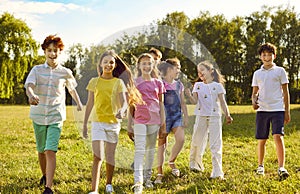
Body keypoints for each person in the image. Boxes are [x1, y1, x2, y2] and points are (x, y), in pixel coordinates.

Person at [24, 35, 83, 194]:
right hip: (38, 115)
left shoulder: (65, 72)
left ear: (60, 52)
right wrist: (31, 95)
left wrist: (78, 103)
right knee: (41, 150)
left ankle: (48, 187)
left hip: (56, 115)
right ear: (44, 51)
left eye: (55, 51)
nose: (52, 54)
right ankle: (44, 175)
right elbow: (29, 85)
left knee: (50, 150)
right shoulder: (37, 70)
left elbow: (71, 89)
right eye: (49, 50)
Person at [83, 50, 142, 194]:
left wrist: (122, 111)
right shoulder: (94, 82)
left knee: (110, 156)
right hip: (98, 123)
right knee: (98, 156)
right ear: (100, 64)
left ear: (115, 65)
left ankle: (109, 184)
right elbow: (90, 103)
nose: (108, 65)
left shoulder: (118, 82)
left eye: (111, 62)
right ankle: (94, 190)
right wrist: (84, 124)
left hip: (113, 124)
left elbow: (124, 103)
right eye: (106, 62)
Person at [185, 60, 233, 180]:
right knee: (197, 140)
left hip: (214, 117)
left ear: (211, 71)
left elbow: (222, 102)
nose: (200, 74)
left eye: (202, 71)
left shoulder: (218, 86)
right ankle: (195, 165)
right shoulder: (198, 85)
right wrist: (188, 95)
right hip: (201, 116)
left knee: (215, 143)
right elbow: (195, 101)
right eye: (198, 72)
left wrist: (227, 115)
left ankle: (217, 171)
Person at [127, 53, 166, 194]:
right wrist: (129, 124)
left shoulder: (158, 83)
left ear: (153, 65)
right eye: (143, 63)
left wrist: (163, 124)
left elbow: (161, 104)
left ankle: (147, 178)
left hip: (155, 120)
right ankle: (138, 182)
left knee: (150, 151)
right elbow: (131, 105)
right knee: (140, 150)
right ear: (139, 65)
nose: (146, 66)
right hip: (139, 120)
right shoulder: (135, 82)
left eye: (149, 63)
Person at [251, 42, 290, 180]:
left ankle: (281, 167)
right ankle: (260, 166)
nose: (267, 57)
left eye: (269, 55)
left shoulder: (280, 71)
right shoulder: (257, 73)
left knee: (278, 136)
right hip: (262, 111)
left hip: (278, 109)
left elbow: (286, 92)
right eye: (264, 55)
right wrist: (254, 101)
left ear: (274, 56)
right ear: (260, 57)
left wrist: (287, 111)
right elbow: (255, 92)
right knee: (262, 139)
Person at [154, 58, 188, 184]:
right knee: (162, 145)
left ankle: (172, 161)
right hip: (163, 118)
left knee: (181, 139)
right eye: (177, 68)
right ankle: (159, 172)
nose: (179, 70)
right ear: (169, 69)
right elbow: (158, 102)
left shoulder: (179, 85)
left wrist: (186, 116)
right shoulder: (160, 83)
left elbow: (183, 103)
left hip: (177, 117)